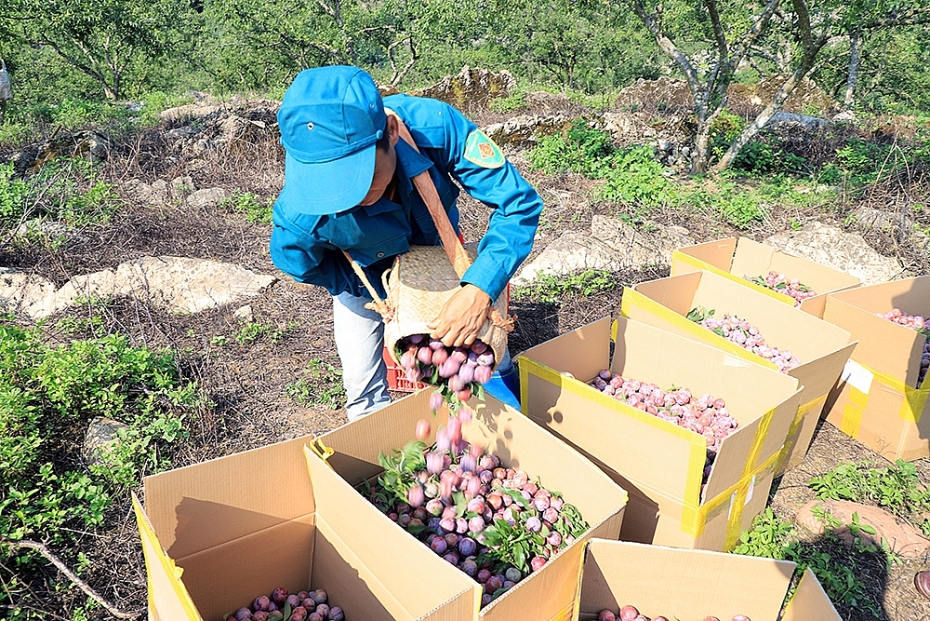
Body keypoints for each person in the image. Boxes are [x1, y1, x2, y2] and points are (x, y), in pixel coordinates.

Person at [269, 65, 543, 421]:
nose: (352, 198)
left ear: (391, 132)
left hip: (442, 259)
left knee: (484, 352)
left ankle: (512, 422)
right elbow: (298, 261)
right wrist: (373, 291)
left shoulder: (435, 127)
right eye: (333, 187)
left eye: (361, 177)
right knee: (362, 385)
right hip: (370, 274)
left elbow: (518, 204)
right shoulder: (299, 214)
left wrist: (479, 289)